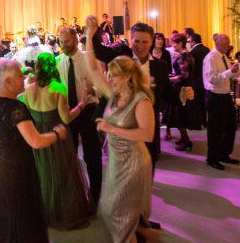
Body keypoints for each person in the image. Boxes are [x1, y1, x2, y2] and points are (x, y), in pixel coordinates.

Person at [85, 17, 156, 243]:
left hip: (134, 162)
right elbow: (92, 69)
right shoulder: (114, 95)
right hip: (115, 161)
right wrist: (90, 36)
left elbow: (146, 134)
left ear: (126, 76)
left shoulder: (141, 100)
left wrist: (110, 129)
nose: (108, 79)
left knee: (118, 213)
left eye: (113, 75)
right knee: (109, 210)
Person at [0, 59, 68, 243]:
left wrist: (0, 141)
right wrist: (57, 134)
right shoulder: (16, 108)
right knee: (23, 216)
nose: (24, 79)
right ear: (8, 82)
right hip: (18, 172)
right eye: (20, 76)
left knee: (5, 215)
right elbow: (35, 141)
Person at [21, 53, 91, 229]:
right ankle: (63, 214)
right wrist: (82, 103)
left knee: (42, 174)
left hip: (37, 137)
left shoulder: (29, 90)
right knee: (62, 175)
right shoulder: (59, 88)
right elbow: (66, 118)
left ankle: (45, 214)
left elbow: (27, 116)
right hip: (56, 137)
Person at [90, 21, 162, 166]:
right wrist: (92, 30)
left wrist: (184, 94)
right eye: (136, 41)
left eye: (145, 41)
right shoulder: (121, 55)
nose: (140, 46)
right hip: (121, 122)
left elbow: (169, 94)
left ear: (151, 41)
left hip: (146, 124)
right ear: (131, 39)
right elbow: (98, 51)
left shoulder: (160, 66)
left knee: (148, 165)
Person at [57, 27, 103, 208]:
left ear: (75, 40)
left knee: (92, 155)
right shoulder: (57, 61)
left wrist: (93, 90)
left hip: (88, 111)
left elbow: (101, 86)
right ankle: (74, 197)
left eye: (66, 41)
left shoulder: (88, 60)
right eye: (61, 42)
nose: (63, 45)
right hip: (68, 113)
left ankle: (95, 197)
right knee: (70, 154)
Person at [203, 34, 240, 170]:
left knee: (230, 126)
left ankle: (223, 153)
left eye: (229, 43)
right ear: (218, 44)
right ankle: (212, 158)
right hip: (214, 96)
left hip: (225, 96)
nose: (229, 46)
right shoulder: (211, 58)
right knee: (215, 129)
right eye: (226, 44)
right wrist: (229, 72)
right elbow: (212, 79)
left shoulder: (223, 56)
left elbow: (232, 74)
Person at [164, 34, 200, 151]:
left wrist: (169, 78)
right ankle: (184, 139)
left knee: (180, 115)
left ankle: (187, 141)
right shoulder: (184, 55)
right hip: (182, 87)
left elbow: (184, 75)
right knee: (179, 115)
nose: (172, 45)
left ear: (180, 43)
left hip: (182, 89)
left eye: (174, 43)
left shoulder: (184, 56)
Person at [189, 33, 210, 126]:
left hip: (196, 80)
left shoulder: (193, 52)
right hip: (206, 79)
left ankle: (199, 122)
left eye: (189, 41)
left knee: (197, 102)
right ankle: (205, 121)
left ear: (193, 41)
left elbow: (192, 68)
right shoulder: (207, 50)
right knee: (204, 102)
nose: (189, 43)